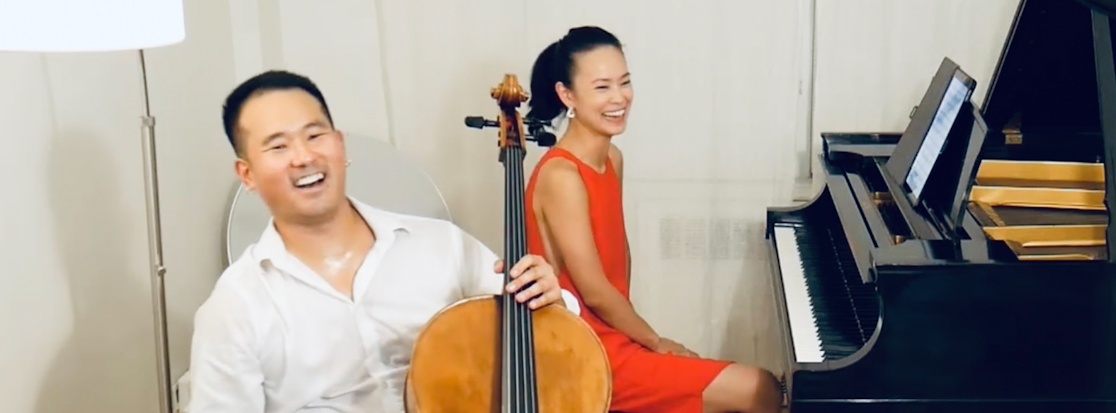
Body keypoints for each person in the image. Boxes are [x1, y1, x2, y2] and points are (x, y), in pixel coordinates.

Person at [188, 70, 580, 413]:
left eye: (314, 135)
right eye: (278, 146)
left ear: (340, 144)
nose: (303, 156)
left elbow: (548, 335)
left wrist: (550, 298)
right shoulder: (235, 306)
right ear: (247, 174)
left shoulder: (443, 245)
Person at [522, 26, 783, 413]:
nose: (619, 98)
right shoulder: (562, 176)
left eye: (624, 82)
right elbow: (594, 291)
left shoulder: (612, 159)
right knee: (759, 389)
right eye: (602, 87)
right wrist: (655, 342)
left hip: (615, 337)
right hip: (580, 348)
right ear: (567, 95)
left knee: (754, 387)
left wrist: (640, 340)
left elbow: (619, 264)